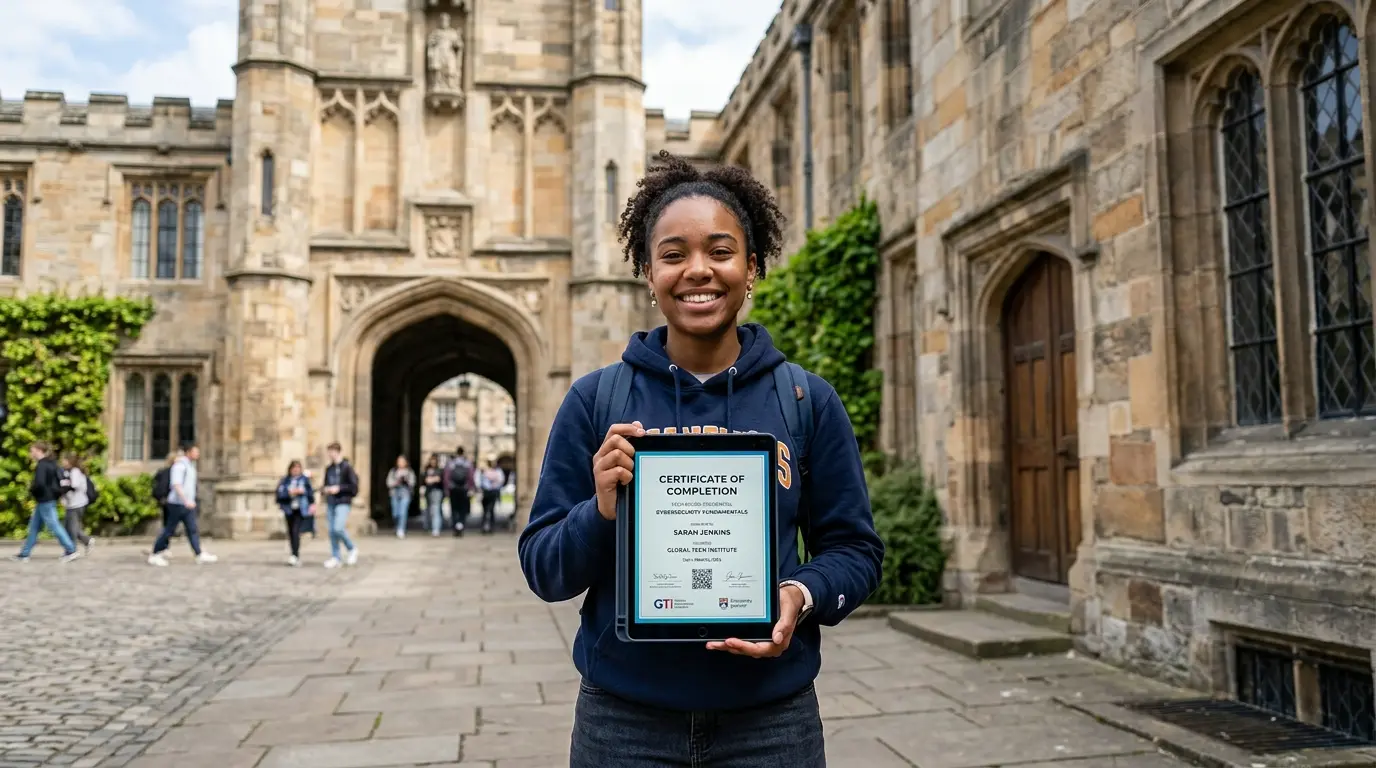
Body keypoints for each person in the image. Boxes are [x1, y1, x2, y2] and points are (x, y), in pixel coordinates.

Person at [517, 151, 884, 766]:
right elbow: (544, 569)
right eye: (673, 254)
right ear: (646, 269)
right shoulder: (595, 400)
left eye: (720, 251)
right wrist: (600, 511)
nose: (698, 271)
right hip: (623, 723)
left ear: (753, 266)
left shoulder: (804, 400)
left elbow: (855, 550)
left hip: (771, 722)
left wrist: (800, 593)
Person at [11, 442, 82, 563]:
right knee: (34, 527)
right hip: (47, 499)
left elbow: (40, 483)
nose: (31, 453)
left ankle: (71, 549)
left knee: (53, 525)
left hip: (45, 500)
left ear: (39, 450)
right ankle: (25, 553)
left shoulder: (42, 465)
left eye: (32, 450)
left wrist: (32, 490)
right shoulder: (51, 463)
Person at [148, 443, 217, 566]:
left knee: (192, 529)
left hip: (187, 504)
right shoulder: (179, 466)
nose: (198, 454)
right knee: (169, 530)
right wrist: (186, 500)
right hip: (177, 503)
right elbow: (176, 485)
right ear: (188, 452)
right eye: (195, 451)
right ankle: (155, 553)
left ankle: (199, 554)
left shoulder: (190, 466)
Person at [321, 442, 360, 568]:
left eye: (331, 452)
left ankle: (352, 548)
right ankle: (335, 556)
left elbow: (354, 487)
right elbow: (325, 484)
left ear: (337, 452)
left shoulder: (347, 467)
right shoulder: (329, 469)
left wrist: (340, 488)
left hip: (343, 501)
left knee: (338, 527)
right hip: (331, 501)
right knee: (332, 531)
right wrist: (325, 490)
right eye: (329, 452)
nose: (330, 455)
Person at [275, 460, 315, 566]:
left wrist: (311, 503)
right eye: (294, 468)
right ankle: (293, 554)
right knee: (291, 532)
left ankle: (295, 555)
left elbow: (310, 493)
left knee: (295, 531)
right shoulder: (285, 480)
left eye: (298, 467)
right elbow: (279, 495)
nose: (296, 470)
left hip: (300, 509)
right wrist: (290, 493)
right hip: (289, 509)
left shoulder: (304, 480)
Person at [59, 453, 95, 554]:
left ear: (69, 461)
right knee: (69, 526)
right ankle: (86, 540)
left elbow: (74, 485)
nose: (62, 462)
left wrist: (62, 488)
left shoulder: (75, 471)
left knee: (71, 528)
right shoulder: (69, 472)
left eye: (64, 460)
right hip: (73, 504)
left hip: (76, 504)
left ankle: (72, 550)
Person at [444, 446, 474, 537]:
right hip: (464, 489)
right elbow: (471, 477)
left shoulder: (451, 463)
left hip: (453, 489)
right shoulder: (467, 463)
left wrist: (447, 488)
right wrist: (471, 488)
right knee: (463, 509)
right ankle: (461, 525)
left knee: (454, 509)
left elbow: (446, 477)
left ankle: (455, 526)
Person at [385, 454, 416, 539]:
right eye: (399, 461)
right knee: (395, 513)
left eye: (402, 461)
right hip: (395, 493)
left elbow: (413, 483)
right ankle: (397, 526)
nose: (400, 463)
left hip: (405, 493)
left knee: (403, 511)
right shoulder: (393, 471)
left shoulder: (409, 472)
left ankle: (401, 529)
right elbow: (388, 483)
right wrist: (396, 482)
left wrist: (406, 481)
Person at [477, 457, 504, 534]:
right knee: (490, 510)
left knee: (486, 511)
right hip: (492, 492)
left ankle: (485, 527)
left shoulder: (483, 471)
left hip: (487, 492)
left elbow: (478, 481)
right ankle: (489, 527)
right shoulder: (498, 471)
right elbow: (501, 480)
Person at [422, 453, 446, 537]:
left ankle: (436, 529)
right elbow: (424, 480)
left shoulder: (440, 470)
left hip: (437, 491)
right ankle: (428, 525)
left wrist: (432, 479)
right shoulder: (426, 469)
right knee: (428, 510)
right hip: (428, 491)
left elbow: (440, 479)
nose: (433, 462)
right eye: (431, 460)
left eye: (434, 460)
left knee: (436, 510)